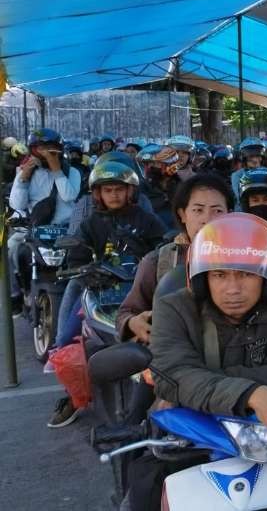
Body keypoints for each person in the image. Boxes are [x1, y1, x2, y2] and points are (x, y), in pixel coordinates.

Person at [144, 213, 267, 508]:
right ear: (201, 278)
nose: (233, 289)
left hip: (264, 431)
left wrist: (197, 382)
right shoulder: (172, 309)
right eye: (219, 274)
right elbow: (173, 374)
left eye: (247, 274)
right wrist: (254, 393)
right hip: (189, 433)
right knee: (143, 488)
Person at [48, 160, 166, 428]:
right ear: (97, 194)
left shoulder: (146, 220)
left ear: (131, 191)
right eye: (107, 190)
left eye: (119, 189)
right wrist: (86, 271)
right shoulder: (90, 224)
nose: (114, 195)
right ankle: (73, 397)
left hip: (139, 293)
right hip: (98, 292)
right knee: (67, 338)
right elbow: (76, 257)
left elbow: (163, 247)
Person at [116, 174, 234, 345]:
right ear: (182, 214)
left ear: (229, 215)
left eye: (217, 211)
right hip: (172, 358)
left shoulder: (244, 257)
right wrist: (132, 323)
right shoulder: (158, 261)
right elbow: (126, 312)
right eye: (198, 210)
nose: (207, 219)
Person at [9, 129, 82, 307]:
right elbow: (17, 204)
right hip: (35, 228)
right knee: (12, 248)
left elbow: (68, 195)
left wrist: (57, 170)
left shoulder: (72, 172)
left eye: (50, 149)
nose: (44, 154)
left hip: (65, 228)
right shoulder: (26, 171)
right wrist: (24, 177)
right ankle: (18, 294)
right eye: (39, 149)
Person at [144, 146, 182, 229]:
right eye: (150, 163)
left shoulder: (179, 185)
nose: (151, 166)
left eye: (155, 163)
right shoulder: (145, 185)